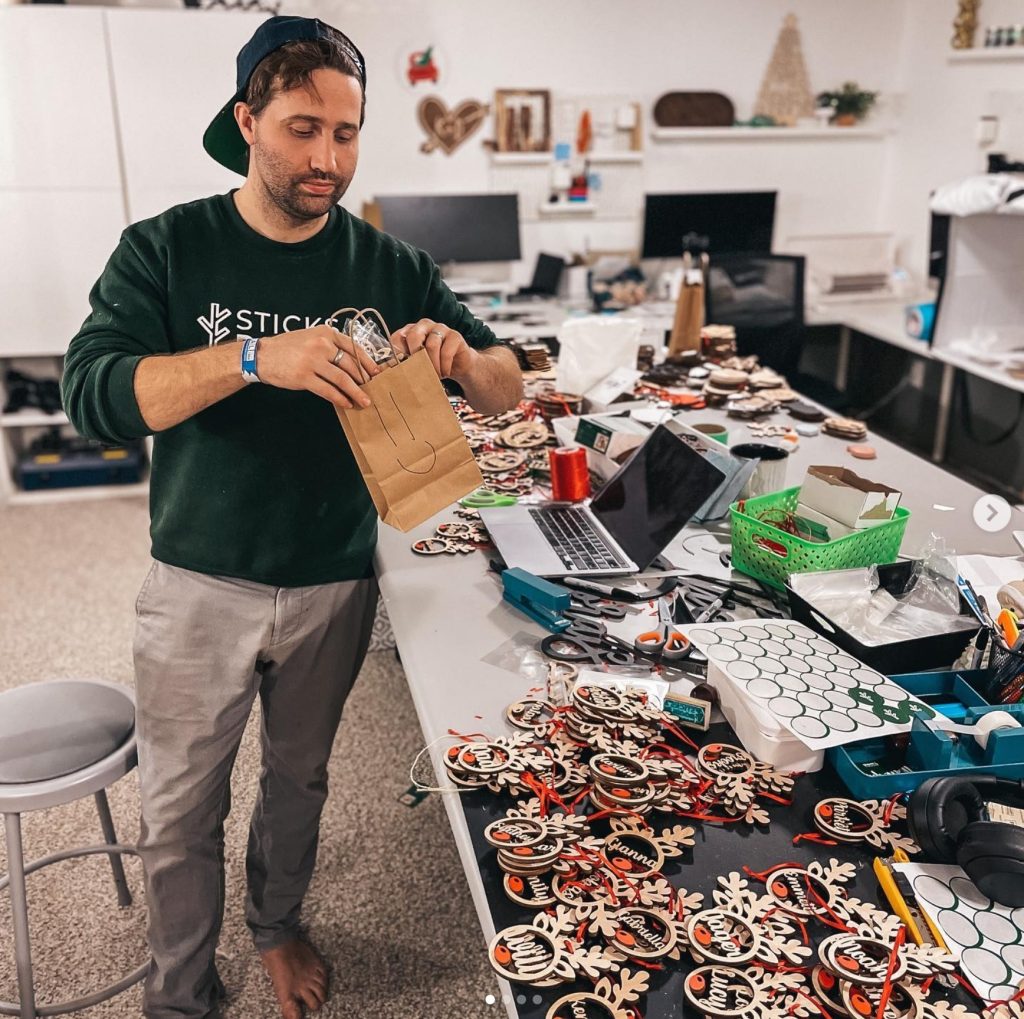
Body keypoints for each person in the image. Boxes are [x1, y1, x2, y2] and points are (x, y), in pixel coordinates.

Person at [61, 16, 523, 1019]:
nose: (328, 158)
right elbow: (90, 392)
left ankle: (274, 923)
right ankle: (180, 993)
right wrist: (251, 358)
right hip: (197, 580)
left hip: (331, 579)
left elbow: (504, 388)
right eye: (304, 129)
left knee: (300, 780)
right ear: (248, 122)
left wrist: (454, 349)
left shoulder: (389, 262)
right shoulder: (168, 247)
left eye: (348, 133)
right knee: (180, 806)